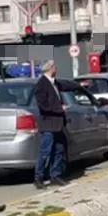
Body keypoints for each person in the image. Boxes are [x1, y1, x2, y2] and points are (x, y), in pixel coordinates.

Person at [33, 60, 68, 189]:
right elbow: (43, 106)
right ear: (50, 68)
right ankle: (39, 177)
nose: (56, 69)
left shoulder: (55, 83)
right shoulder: (41, 85)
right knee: (45, 151)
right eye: (54, 66)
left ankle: (55, 175)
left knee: (59, 150)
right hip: (48, 123)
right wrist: (60, 109)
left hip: (58, 123)